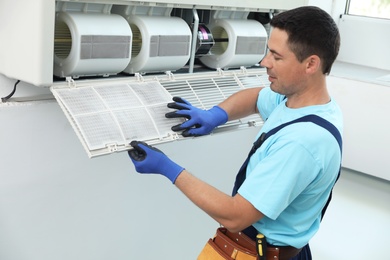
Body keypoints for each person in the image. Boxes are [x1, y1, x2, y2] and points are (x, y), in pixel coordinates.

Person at [128, 6, 342, 260]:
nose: (265, 62)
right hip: (259, 246)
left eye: (277, 56)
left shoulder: (302, 143)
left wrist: (168, 168)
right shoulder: (304, 103)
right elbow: (256, 98)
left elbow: (236, 216)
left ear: (311, 64)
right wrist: (215, 115)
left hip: (262, 254)